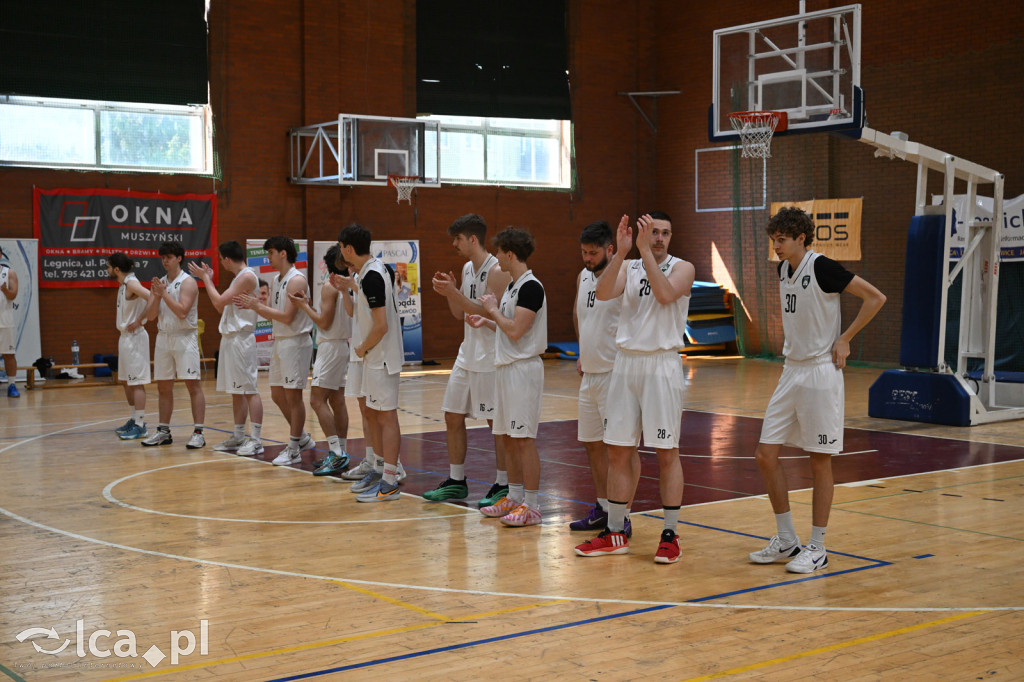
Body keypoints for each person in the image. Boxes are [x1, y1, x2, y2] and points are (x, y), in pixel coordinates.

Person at [748, 206, 886, 573]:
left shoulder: (822, 267)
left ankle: (819, 547)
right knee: (765, 454)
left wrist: (845, 338)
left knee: (819, 460)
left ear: (800, 239)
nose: (775, 246)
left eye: (781, 240)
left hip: (821, 373)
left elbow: (875, 297)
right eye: (773, 240)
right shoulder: (782, 269)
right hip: (790, 370)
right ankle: (787, 540)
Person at [574, 212, 694, 563]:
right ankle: (615, 532)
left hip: (661, 365)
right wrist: (624, 252)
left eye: (665, 233)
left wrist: (642, 253)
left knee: (666, 452)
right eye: (653, 232)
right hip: (625, 364)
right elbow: (603, 290)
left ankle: (670, 535)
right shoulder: (628, 266)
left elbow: (665, 294)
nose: (659, 238)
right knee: (617, 451)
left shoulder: (683, 267)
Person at [424, 214, 511, 506]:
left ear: (473, 239)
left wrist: (455, 293)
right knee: (452, 414)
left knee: (493, 422)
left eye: (458, 239)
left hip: (489, 357)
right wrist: (450, 293)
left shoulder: (497, 270)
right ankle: (457, 480)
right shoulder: (466, 267)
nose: (454, 244)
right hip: (467, 352)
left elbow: (486, 312)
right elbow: (460, 314)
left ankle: (503, 483)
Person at [570, 221, 641, 536]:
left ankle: (622, 513)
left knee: (622, 449)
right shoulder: (583, 276)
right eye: (584, 252)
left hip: (617, 373)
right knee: (592, 445)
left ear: (610, 249)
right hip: (590, 375)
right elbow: (579, 314)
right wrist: (583, 352)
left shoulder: (625, 274)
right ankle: (603, 508)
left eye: (593, 252)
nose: (587, 258)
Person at [477, 227, 547, 527]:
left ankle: (532, 505)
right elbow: (509, 330)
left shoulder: (531, 287)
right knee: (505, 437)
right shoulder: (512, 286)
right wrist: (488, 320)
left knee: (523, 440)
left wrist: (492, 311)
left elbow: (517, 331)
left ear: (510, 253)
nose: (497, 259)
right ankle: (515, 496)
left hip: (523, 371)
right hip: (506, 367)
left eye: (500, 252)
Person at [337, 224, 406, 502]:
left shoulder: (373, 276)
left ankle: (390, 482)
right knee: (375, 415)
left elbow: (381, 326)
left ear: (349, 248)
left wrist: (362, 348)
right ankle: (380, 471)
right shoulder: (369, 272)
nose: (341, 252)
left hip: (381, 358)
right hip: (373, 358)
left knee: (386, 417)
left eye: (341, 247)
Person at [234, 236, 316, 466]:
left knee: (293, 396)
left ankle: (293, 448)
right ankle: (302, 438)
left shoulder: (296, 280)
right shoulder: (276, 279)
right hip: (281, 341)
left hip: (296, 342)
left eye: (270, 252)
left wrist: (258, 306)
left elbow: (289, 317)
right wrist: (255, 306)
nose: (267, 257)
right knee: (277, 395)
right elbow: (274, 313)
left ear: (283, 253)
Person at [189, 241, 265, 456]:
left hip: (242, 339)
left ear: (228, 259)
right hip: (231, 339)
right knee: (236, 391)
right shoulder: (238, 278)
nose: (221, 263)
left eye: (221, 259)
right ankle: (239, 435)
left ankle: (257, 439)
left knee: (249, 390)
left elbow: (218, 303)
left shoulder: (247, 276)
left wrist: (206, 280)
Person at [290, 245, 353, 475]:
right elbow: (331, 316)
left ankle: (337, 453)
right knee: (337, 400)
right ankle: (341, 452)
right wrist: (309, 303)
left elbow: (324, 323)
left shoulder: (329, 286)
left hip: (330, 347)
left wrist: (303, 306)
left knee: (317, 400)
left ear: (327, 265)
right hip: (341, 345)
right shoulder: (349, 284)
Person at [142, 241, 207, 449]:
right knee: (163, 386)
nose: (165, 261)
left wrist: (164, 294)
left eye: (168, 257)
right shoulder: (160, 283)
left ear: (179, 258)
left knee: (192, 385)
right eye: (162, 258)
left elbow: (181, 312)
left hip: (184, 337)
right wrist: (155, 295)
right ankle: (163, 431)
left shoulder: (188, 282)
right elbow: (151, 316)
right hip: (163, 337)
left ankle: (198, 432)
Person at [108, 253, 152, 439]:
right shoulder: (124, 284)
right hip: (125, 337)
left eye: (109, 267)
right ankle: (134, 419)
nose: (107, 270)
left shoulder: (132, 284)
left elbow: (152, 297)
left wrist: (141, 319)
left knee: (136, 382)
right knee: (126, 381)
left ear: (117, 269)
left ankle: (141, 425)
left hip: (135, 338)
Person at [0, 245, 20, 398]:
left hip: (5, 321)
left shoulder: (9, 273)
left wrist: (5, 290)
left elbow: (13, 295)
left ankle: (12, 385)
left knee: (9, 354)